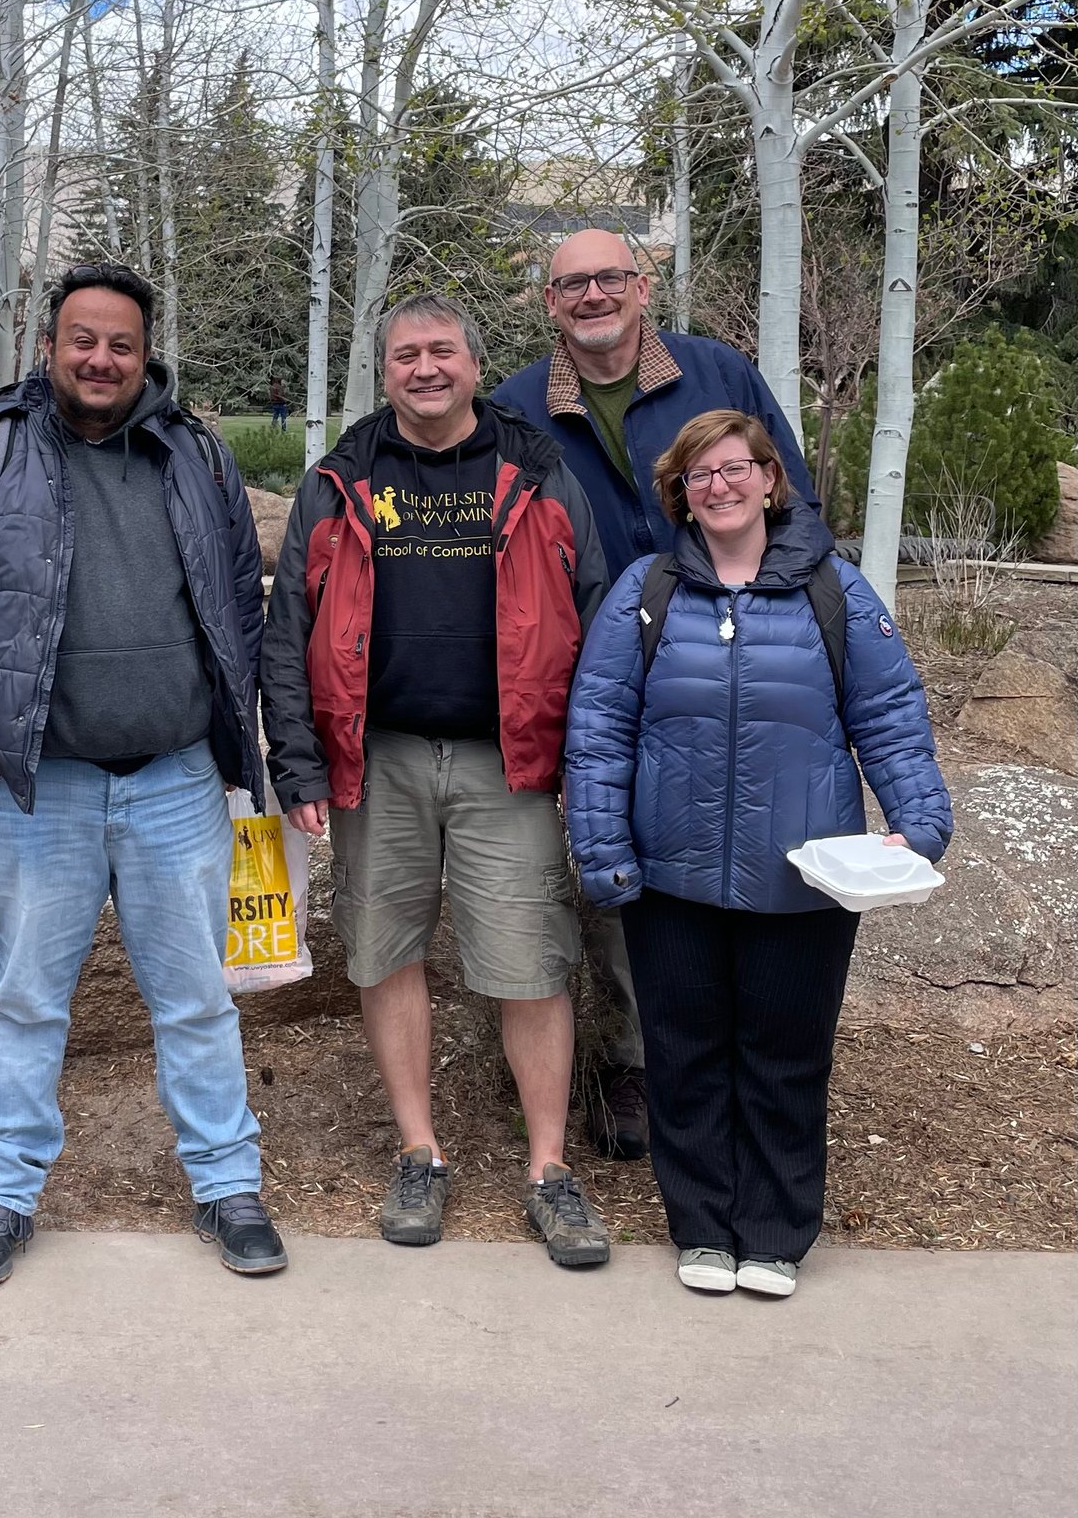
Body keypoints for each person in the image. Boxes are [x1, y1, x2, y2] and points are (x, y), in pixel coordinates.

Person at [0, 262, 286, 1286]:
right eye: (82, 339)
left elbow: (242, 598)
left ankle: (227, 1183)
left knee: (196, 996)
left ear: (145, 353)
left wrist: (229, 739)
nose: (100, 359)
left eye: (120, 343)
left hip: (175, 783)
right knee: (24, 1001)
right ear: (48, 343)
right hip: (32, 788)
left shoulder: (194, 452)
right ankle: (4, 1195)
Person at [564, 410, 951, 1298]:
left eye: (736, 468)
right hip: (672, 878)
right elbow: (598, 731)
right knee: (685, 1053)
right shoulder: (645, 593)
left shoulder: (836, 593)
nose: (721, 486)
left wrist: (919, 822)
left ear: (771, 480)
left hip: (803, 882)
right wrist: (604, 847)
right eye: (700, 476)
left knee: (786, 1055)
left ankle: (774, 1233)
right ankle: (703, 1226)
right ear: (681, 494)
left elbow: (891, 718)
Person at [262, 292, 614, 1266]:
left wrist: (589, 764)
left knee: (532, 962)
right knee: (384, 952)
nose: (425, 367)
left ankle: (547, 1167)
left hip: (513, 761)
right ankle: (419, 1152)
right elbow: (286, 633)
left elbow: (591, 614)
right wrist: (296, 760)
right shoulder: (340, 478)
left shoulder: (535, 468)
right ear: (383, 370)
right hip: (377, 759)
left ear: (472, 363)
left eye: (442, 351)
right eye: (406, 353)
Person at [493, 228, 821, 1164]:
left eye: (610, 277)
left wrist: (788, 612)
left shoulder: (719, 374)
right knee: (620, 845)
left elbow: (793, 500)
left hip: (736, 646)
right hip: (595, 661)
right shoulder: (517, 407)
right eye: (572, 284)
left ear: (644, 284)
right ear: (548, 301)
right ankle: (641, 1057)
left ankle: (749, 1059)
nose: (593, 295)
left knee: (744, 833)